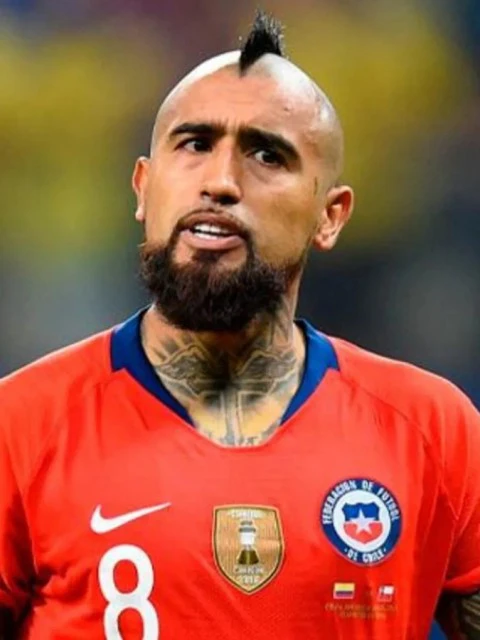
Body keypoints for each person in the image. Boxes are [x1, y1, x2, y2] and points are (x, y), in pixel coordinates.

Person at [0, 11, 479, 640]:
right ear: (143, 188)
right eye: (195, 145)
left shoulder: (433, 429)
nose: (221, 182)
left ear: (330, 216)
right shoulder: (21, 427)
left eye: (266, 155)